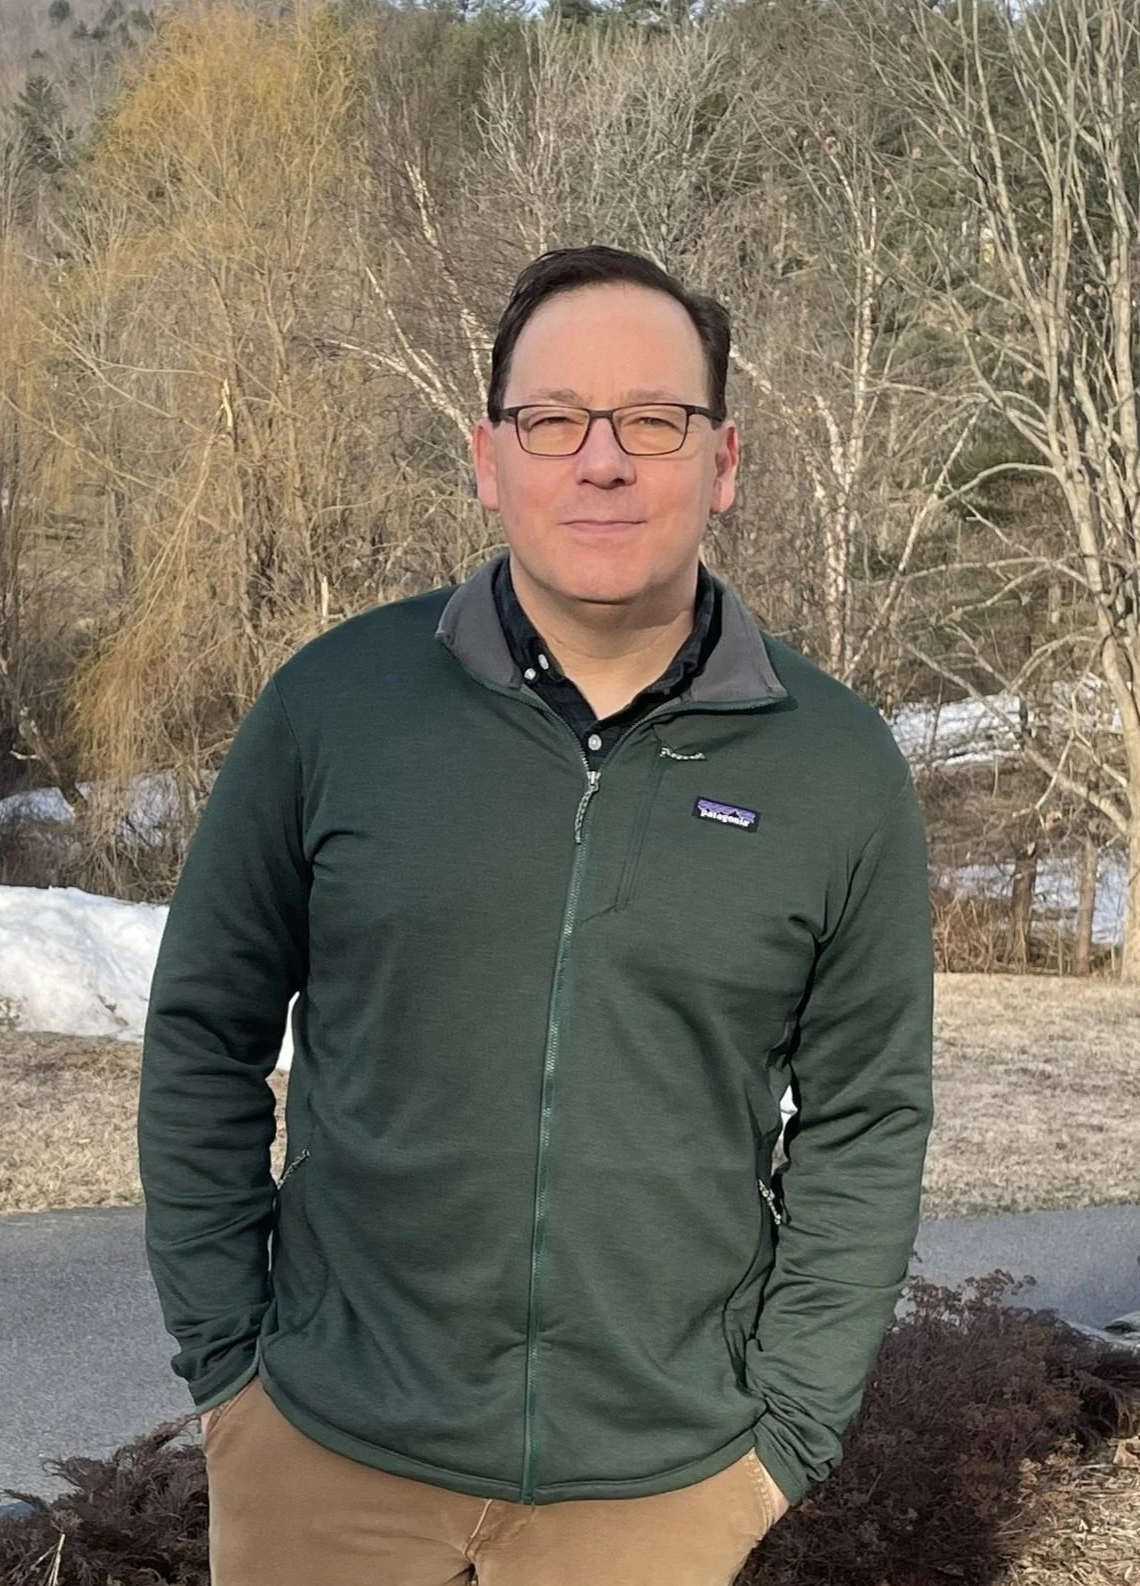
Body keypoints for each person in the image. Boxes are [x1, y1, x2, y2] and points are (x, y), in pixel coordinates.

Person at [138, 244, 935, 1586]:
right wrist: (230, 1370)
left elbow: (866, 1116)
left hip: (658, 1493)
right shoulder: (335, 708)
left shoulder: (838, 768)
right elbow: (204, 1031)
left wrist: (785, 1433)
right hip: (322, 1460)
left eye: (653, 421)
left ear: (723, 462)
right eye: (553, 419)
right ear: (487, 457)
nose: (601, 461)